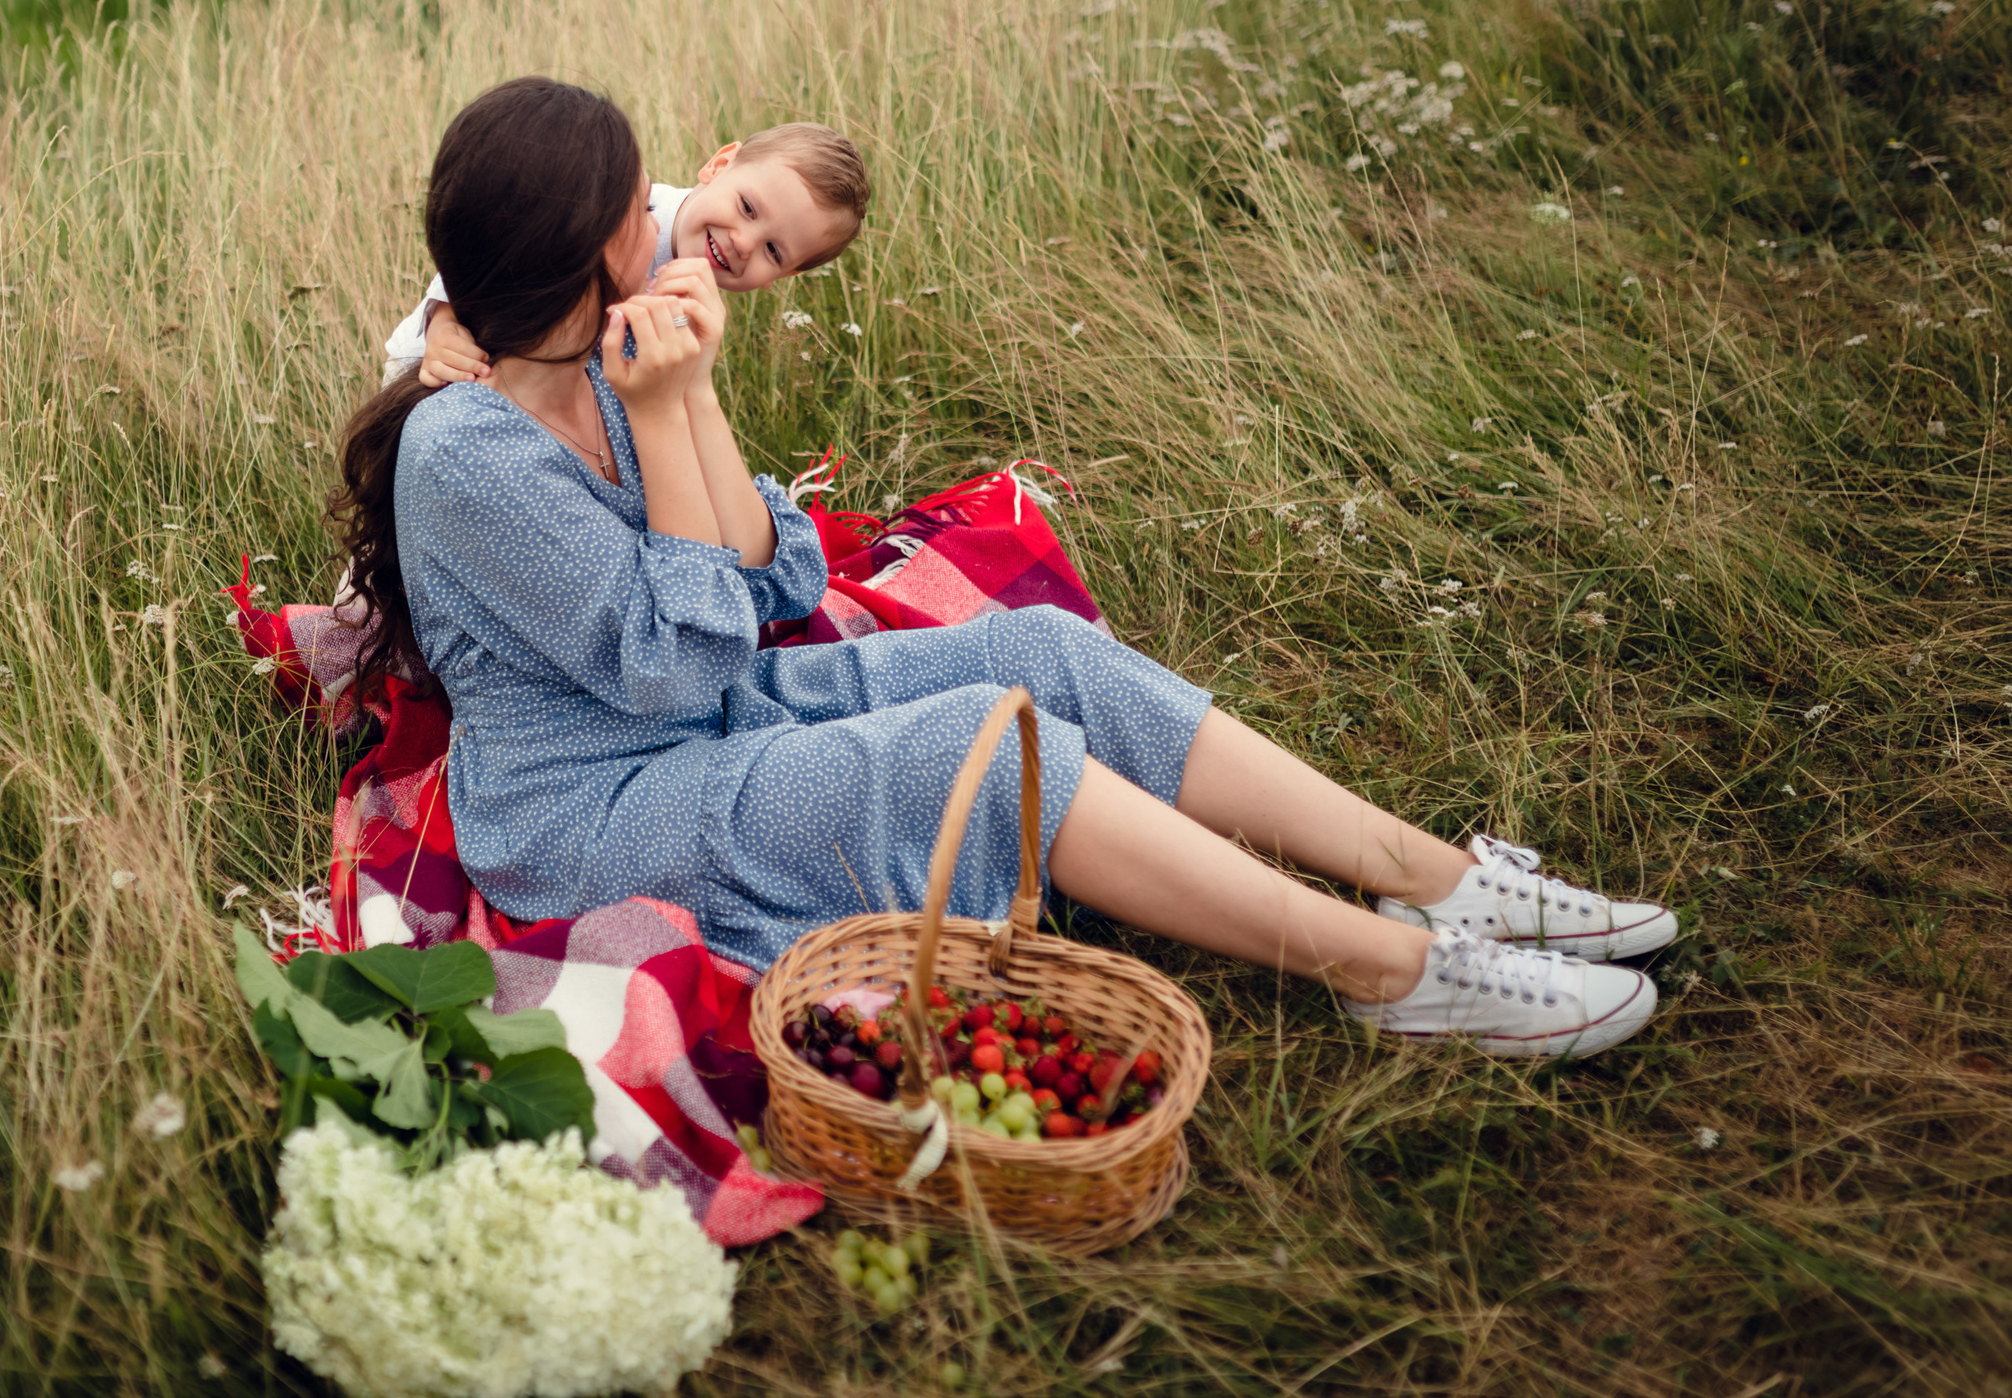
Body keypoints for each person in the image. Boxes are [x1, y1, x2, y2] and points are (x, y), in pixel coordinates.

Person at [333, 78, 1677, 1060]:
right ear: (581, 250)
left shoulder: (614, 358)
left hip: (700, 715)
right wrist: (679, 405)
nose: (675, 218)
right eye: (641, 205)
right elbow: (684, 648)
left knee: (1039, 652)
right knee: (972, 745)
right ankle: (1393, 970)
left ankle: (1431, 873)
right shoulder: (468, 451)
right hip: (588, 810)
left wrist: (687, 399)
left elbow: (776, 576)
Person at [380, 121, 867, 387]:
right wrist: (443, 326)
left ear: (781, 277)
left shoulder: (696, 307)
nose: (743, 241)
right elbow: (495, 247)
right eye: (746, 207)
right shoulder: (631, 206)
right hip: (440, 361)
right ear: (718, 164)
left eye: (774, 250)